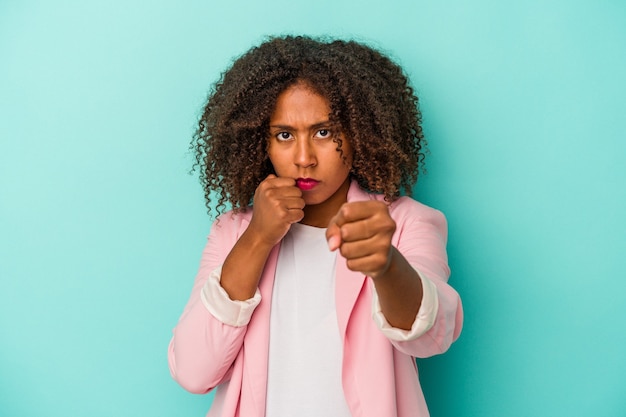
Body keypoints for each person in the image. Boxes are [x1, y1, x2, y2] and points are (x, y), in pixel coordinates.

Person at [168, 35, 463, 417]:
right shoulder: (232, 232)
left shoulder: (404, 223)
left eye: (324, 132)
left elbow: (432, 335)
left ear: (359, 133)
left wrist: (386, 265)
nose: (304, 158)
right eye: (285, 135)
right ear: (262, 143)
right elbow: (193, 371)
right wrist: (257, 237)